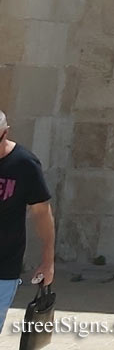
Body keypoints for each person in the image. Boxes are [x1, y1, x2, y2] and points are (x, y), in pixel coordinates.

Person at [0, 110, 55, 332]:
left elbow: (41, 212)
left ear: (5, 133)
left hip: (3, 266)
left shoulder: (24, 164)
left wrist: (47, 261)